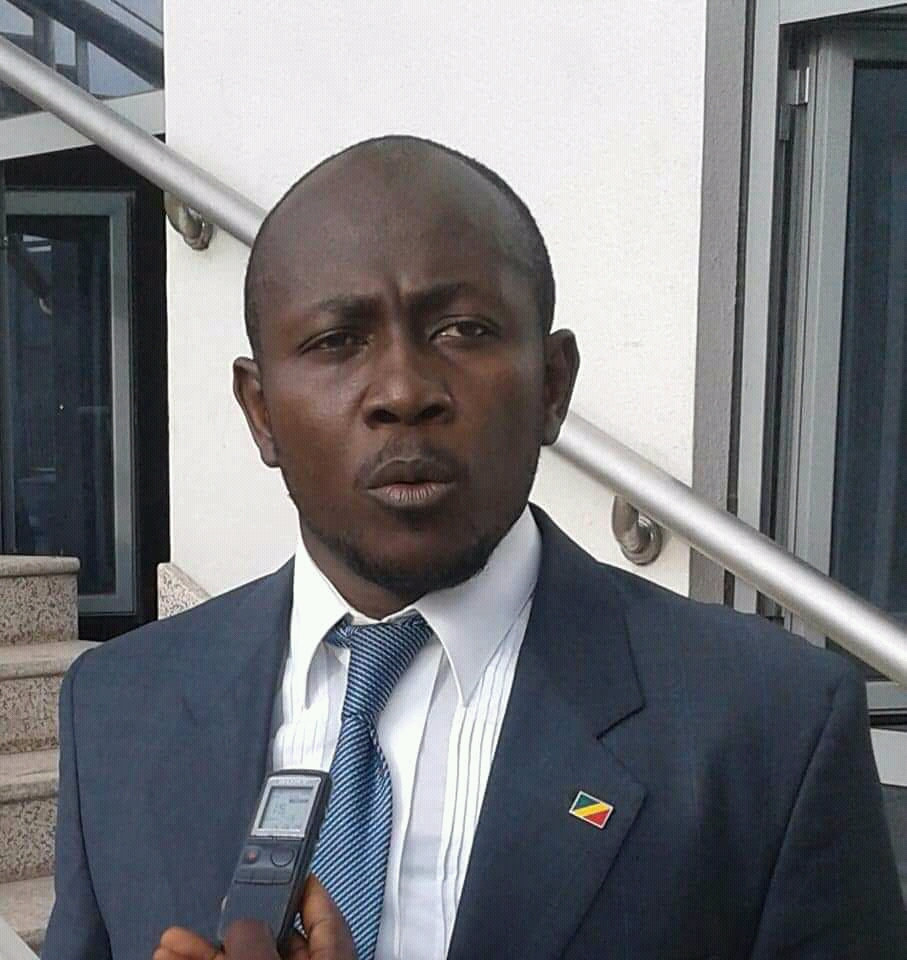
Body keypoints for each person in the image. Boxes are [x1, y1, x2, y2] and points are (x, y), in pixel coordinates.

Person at [44, 136, 906, 960]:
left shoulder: (767, 724)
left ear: (552, 387)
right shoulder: (117, 706)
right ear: (260, 411)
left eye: (461, 329)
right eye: (337, 341)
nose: (403, 391)